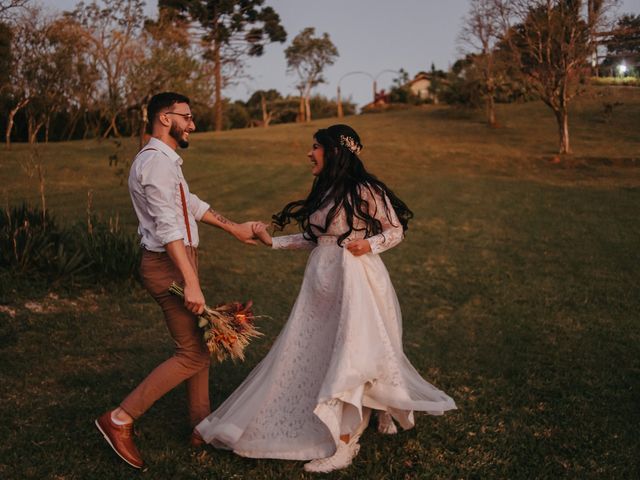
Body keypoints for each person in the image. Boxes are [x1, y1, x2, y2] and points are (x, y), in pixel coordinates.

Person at [195, 124, 456, 473]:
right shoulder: (326, 190)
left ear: (335, 151)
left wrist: (370, 244)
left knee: (354, 351)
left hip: (356, 280)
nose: (309, 153)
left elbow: (394, 230)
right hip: (320, 285)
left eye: (315, 147)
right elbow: (315, 238)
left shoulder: (365, 189)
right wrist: (272, 242)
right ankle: (369, 408)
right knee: (321, 351)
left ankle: (345, 443)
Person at [95, 92, 258, 469]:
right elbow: (168, 227)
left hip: (178, 261)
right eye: (187, 117)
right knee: (193, 353)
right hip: (168, 264)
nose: (193, 125)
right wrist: (191, 282)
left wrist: (234, 228)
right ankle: (119, 418)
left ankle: (202, 427)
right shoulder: (154, 164)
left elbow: (189, 204)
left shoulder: (166, 162)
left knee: (198, 345)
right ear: (165, 118)